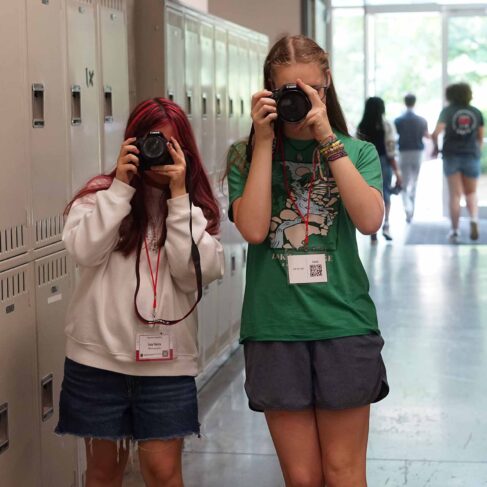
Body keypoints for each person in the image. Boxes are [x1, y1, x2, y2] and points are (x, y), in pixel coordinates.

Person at [226, 35, 389, 487]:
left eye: (312, 89)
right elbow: (255, 229)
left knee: (343, 472)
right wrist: (262, 142)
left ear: (328, 84)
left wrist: (325, 137)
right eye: (289, 92)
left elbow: (370, 220)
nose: (302, 99)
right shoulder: (245, 154)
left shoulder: (357, 152)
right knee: (301, 478)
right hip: (275, 327)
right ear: (269, 92)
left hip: (343, 325)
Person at [55, 97, 224, 487]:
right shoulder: (99, 197)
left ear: (184, 150)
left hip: (166, 369)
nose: (158, 155)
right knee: (102, 475)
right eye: (150, 143)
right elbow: (84, 250)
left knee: (164, 475)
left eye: (168, 145)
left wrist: (179, 198)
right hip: (98, 364)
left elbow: (190, 274)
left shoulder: (193, 209)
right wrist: (120, 187)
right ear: (131, 142)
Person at [432, 82, 484, 243]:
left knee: (455, 195)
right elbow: (480, 137)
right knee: (471, 193)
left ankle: (455, 231)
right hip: (471, 155)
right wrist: (477, 150)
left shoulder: (447, 111)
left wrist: (436, 148)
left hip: (451, 155)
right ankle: (474, 220)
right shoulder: (476, 112)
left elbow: (436, 133)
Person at [358, 96, 402, 241]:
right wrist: (397, 172)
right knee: (386, 194)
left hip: (365, 164)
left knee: (369, 194)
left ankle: (373, 230)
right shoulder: (387, 125)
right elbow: (390, 150)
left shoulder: (361, 126)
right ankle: (386, 225)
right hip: (383, 162)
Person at [394, 93, 429, 223]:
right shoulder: (421, 120)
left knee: (404, 182)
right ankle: (412, 209)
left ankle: (407, 209)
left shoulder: (398, 120)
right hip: (418, 152)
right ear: (415, 102)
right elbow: (426, 135)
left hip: (403, 152)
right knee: (415, 182)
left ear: (405, 102)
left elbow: (394, 136)